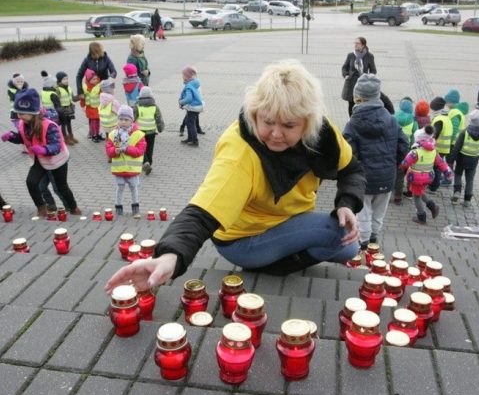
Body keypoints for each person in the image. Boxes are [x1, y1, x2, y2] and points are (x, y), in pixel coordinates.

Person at [105, 61, 366, 294]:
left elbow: (352, 169)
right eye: (267, 122)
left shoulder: (322, 134)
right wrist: (170, 257)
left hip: (290, 223)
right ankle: (271, 266)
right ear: (254, 113)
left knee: (348, 246)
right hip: (243, 241)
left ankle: (278, 259)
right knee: (335, 233)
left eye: (288, 126)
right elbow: (201, 212)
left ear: (308, 123)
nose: (275, 134)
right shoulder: (240, 150)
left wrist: (346, 203)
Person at [343, 74, 408, 249]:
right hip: (388, 177)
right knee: (379, 212)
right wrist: (392, 164)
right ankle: (373, 239)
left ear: (358, 97)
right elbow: (404, 144)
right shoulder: (392, 120)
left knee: (363, 212)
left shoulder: (353, 124)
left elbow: (348, 153)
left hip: (364, 179)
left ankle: (362, 244)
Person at [1, 89, 81, 217]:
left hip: (57, 160)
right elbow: (23, 138)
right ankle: (41, 207)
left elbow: (56, 146)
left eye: (22, 113)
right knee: (31, 182)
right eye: (18, 113)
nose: (19, 116)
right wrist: (11, 137)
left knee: (61, 187)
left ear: (33, 113)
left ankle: (74, 208)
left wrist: (44, 149)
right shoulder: (23, 123)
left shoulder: (49, 125)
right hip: (39, 159)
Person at [400, 125, 452, 225]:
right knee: (420, 192)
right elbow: (441, 163)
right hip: (428, 177)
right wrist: (448, 172)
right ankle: (432, 206)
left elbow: (404, 164)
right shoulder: (433, 151)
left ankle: (422, 217)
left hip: (416, 178)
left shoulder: (415, 152)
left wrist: (400, 167)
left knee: (416, 197)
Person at [105, 105, 146, 218]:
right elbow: (109, 150)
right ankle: (118, 208)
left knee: (134, 188)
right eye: (121, 119)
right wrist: (115, 150)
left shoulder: (138, 134)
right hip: (119, 169)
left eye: (126, 120)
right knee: (120, 188)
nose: (123, 122)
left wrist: (126, 149)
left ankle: (135, 208)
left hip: (132, 169)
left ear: (132, 120)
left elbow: (140, 151)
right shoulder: (114, 134)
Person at [448, 110, 479, 208]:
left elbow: (457, 147)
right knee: (470, 179)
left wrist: (451, 160)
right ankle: (467, 200)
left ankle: (457, 192)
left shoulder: (464, 132)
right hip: (474, 160)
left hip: (461, 158)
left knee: (458, 174)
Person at [341, 37, 377, 116]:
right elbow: (344, 67)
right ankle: (351, 120)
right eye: (355, 43)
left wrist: (369, 79)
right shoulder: (351, 55)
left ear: (363, 45)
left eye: (357, 43)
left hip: (362, 85)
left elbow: (373, 70)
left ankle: (359, 119)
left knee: (360, 104)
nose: (355, 45)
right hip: (351, 84)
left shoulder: (369, 56)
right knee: (351, 104)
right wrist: (346, 75)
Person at [134, 86, 165, 176]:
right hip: (151, 132)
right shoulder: (155, 107)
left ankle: (145, 162)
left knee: (141, 147)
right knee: (150, 148)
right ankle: (149, 163)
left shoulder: (137, 106)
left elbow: (132, 117)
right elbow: (159, 118)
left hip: (140, 132)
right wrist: (160, 128)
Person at [393, 97, 417, 204]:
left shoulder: (393, 117)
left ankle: (387, 191)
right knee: (400, 173)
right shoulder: (413, 120)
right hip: (405, 150)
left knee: (391, 170)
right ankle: (398, 197)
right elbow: (415, 136)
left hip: (393, 148)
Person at [428, 97, 452, 192]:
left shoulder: (439, 119)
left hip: (439, 147)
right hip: (445, 147)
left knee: (436, 167)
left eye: (432, 108)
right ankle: (434, 183)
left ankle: (434, 186)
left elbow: (434, 134)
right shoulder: (446, 117)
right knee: (438, 166)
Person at [179, 66, 204, 147]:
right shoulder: (193, 83)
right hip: (196, 107)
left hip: (193, 107)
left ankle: (194, 140)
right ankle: (190, 138)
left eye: (183, 75)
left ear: (187, 76)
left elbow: (189, 98)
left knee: (191, 124)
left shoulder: (189, 86)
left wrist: (181, 101)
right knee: (189, 123)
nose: (182, 76)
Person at [56, 71, 78, 145]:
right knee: (63, 124)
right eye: (64, 79)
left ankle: (71, 136)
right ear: (59, 80)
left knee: (69, 123)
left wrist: (80, 96)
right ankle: (65, 139)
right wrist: (59, 110)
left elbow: (73, 98)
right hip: (62, 110)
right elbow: (56, 101)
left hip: (69, 108)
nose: (66, 80)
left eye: (67, 78)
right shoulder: (58, 89)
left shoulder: (69, 87)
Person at [81, 69, 102, 142]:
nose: (95, 80)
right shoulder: (85, 88)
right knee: (93, 122)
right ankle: (93, 135)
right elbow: (82, 98)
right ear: (88, 80)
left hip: (98, 107)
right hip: (90, 108)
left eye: (96, 79)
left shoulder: (99, 86)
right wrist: (82, 105)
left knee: (98, 121)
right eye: (93, 79)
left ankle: (98, 133)